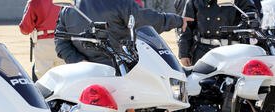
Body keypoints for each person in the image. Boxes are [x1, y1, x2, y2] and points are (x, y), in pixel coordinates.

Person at [55, 0, 193, 66]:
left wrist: (80, 61)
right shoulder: (119, 3)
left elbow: (60, 42)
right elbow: (149, 20)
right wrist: (178, 20)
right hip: (120, 70)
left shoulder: (68, 8)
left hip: (84, 74)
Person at [178, 0, 257, 67]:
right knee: (199, 82)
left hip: (231, 51)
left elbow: (251, 17)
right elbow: (186, 27)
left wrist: (246, 25)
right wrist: (184, 53)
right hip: (202, 51)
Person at [19, 0, 64, 81]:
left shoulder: (34, 1)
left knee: (44, 79)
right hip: (64, 42)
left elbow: (25, 29)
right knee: (64, 76)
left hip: (43, 43)